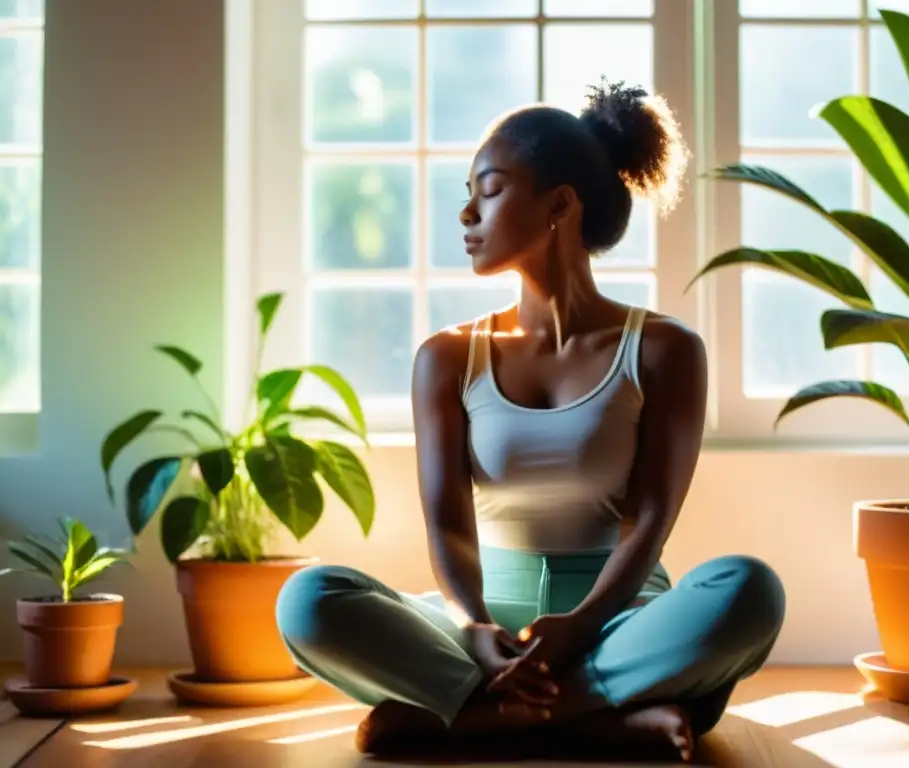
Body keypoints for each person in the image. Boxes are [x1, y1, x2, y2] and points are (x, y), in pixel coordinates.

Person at [275, 78, 785, 763]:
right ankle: (603, 717)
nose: (465, 214)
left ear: (559, 205)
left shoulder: (665, 351)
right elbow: (449, 525)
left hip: (618, 621)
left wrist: (577, 627)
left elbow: (649, 523)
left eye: (487, 189)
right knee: (308, 600)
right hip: (482, 629)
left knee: (749, 591)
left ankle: (465, 719)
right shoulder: (447, 357)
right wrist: (474, 625)